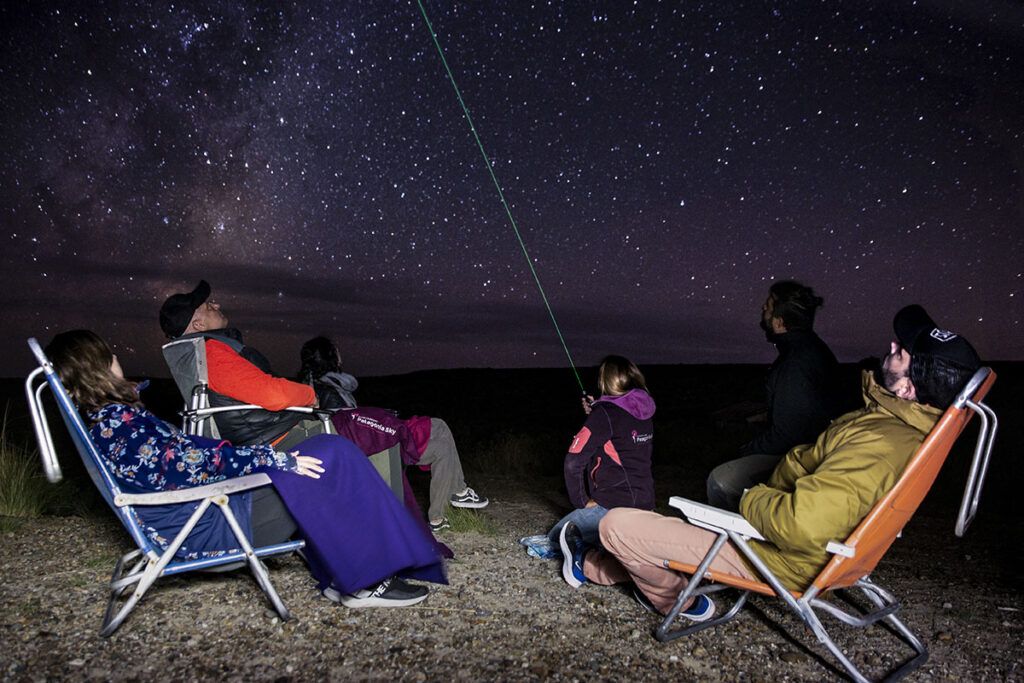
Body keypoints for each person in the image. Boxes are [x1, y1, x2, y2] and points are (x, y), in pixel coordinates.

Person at [560, 305, 981, 622]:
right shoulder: (898, 424)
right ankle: (597, 565)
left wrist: (751, 500)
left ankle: (678, 600)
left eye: (902, 352)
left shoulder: (879, 442)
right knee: (670, 522)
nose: (892, 346)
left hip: (777, 557)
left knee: (617, 527)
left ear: (907, 387)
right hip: (792, 543)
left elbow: (803, 524)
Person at [46, 329, 447, 608]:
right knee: (332, 456)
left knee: (325, 449)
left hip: (203, 513)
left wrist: (238, 453)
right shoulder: (122, 425)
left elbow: (187, 452)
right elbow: (188, 464)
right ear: (96, 366)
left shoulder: (110, 419)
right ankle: (365, 582)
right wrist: (271, 458)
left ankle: (345, 576)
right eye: (109, 355)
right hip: (212, 524)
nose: (118, 358)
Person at [297, 336, 489, 533]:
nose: (340, 355)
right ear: (328, 356)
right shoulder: (325, 391)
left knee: (440, 443)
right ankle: (456, 494)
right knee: (438, 428)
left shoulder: (329, 387)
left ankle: (440, 516)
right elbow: (347, 429)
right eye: (335, 351)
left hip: (366, 444)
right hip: (367, 452)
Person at [706, 280, 844, 511]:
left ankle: (738, 543)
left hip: (802, 455)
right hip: (813, 449)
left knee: (721, 480)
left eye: (767, 307)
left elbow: (787, 434)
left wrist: (745, 451)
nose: (763, 310)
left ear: (779, 322)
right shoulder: (811, 349)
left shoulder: (795, 363)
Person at [550, 356, 655, 589]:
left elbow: (572, 462)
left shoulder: (605, 414)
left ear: (604, 380)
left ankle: (593, 555)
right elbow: (619, 427)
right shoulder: (644, 409)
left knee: (555, 537)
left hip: (613, 507)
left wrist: (580, 501)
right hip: (645, 504)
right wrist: (598, 408)